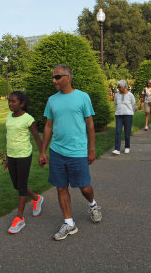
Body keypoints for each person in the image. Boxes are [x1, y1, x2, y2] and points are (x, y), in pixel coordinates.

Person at [39, 64, 102, 241]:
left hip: (78, 151)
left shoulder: (82, 97)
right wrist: (43, 150)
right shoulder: (52, 100)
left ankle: (93, 204)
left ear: (68, 77)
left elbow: (90, 124)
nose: (54, 80)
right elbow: (49, 125)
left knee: (84, 187)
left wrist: (91, 149)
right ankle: (69, 223)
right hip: (57, 151)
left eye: (57, 77)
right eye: (53, 77)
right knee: (61, 187)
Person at [5, 91, 44, 234]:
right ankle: (36, 198)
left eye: (14, 101)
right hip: (12, 156)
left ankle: (19, 218)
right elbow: (9, 138)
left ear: (22, 104)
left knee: (21, 186)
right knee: (16, 185)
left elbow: (36, 137)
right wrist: (7, 158)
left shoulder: (28, 119)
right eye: (9, 101)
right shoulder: (9, 117)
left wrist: (42, 154)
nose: (10, 104)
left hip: (24, 156)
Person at [112, 80, 136, 155]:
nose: (118, 88)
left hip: (128, 115)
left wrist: (132, 113)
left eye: (120, 87)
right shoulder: (117, 95)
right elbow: (116, 103)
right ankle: (117, 149)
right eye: (118, 87)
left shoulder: (130, 95)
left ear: (125, 87)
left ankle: (127, 147)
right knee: (118, 132)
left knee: (127, 132)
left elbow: (133, 104)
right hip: (119, 115)